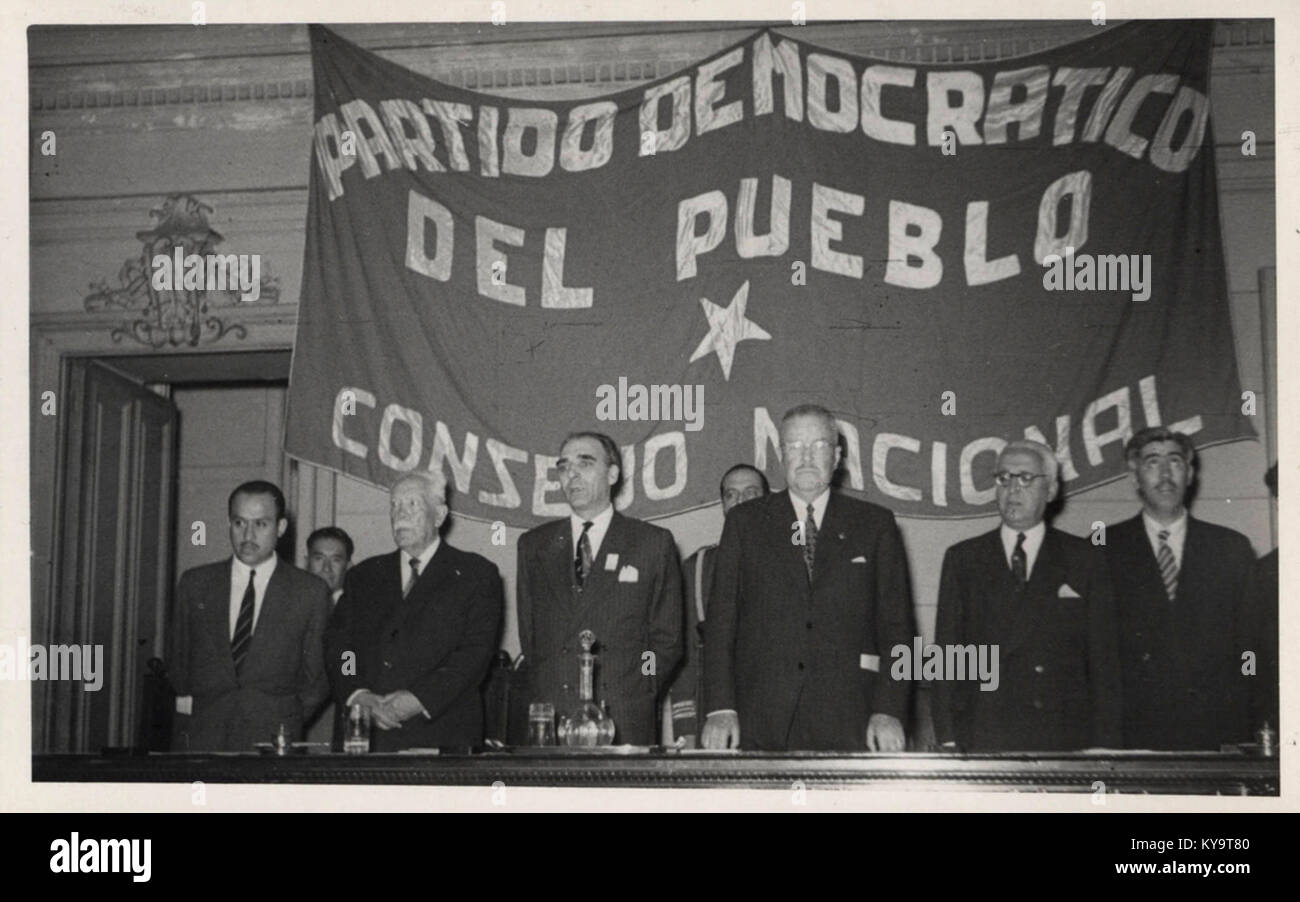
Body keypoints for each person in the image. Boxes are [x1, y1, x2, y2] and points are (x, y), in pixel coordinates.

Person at [702, 404, 915, 751]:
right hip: (760, 719)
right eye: (795, 447)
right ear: (781, 455)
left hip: (853, 719)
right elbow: (720, 624)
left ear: (838, 455)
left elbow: (899, 630)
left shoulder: (875, 525)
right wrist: (720, 708)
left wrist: (889, 710)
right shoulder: (745, 523)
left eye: (818, 446)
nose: (806, 457)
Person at [932, 440, 1122, 751]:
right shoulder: (964, 559)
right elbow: (947, 656)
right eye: (1003, 478)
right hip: (984, 734)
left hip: (1063, 737)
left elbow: (1104, 662)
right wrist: (948, 737)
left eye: (1025, 478)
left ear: (1051, 490)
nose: (1012, 489)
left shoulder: (1084, 559)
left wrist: (1105, 745)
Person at [515, 431, 683, 745]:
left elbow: (666, 638)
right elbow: (531, 638)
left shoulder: (651, 542)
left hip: (624, 718)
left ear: (613, 473)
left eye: (585, 463)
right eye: (563, 467)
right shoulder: (534, 545)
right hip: (553, 721)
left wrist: (641, 686)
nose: (572, 474)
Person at [1104, 427, 1261, 749]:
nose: (1165, 474)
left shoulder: (1231, 548)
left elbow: (1251, 646)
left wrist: (1250, 718)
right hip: (1133, 734)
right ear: (1134, 477)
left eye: (1174, 462)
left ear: (1189, 474)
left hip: (1218, 731)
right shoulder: (1102, 550)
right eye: (1151, 463)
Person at [324, 472, 503, 751]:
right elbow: (343, 649)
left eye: (412, 505)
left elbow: (473, 655)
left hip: (440, 733)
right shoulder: (363, 576)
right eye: (394, 505)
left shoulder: (475, 575)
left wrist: (418, 699)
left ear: (440, 515)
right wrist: (358, 694)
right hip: (365, 735)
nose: (400, 514)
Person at [169, 480, 331, 751]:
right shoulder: (195, 584)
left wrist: (282, 716)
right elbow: (179, 667)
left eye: (261, 524)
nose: (248, 535)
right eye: (239, 523)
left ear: (280, 527)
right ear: (228, 523)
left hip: (274, 739)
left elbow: (316, 680)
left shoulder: (310, 592)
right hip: (203, 738)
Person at [663, 464, 768, 746]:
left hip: (776, 712)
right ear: (722, 504)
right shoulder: (697, 568)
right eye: (731, 495)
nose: (740, 501)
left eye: (751, 493)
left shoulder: (793, 564)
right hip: (715, 719)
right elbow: (683, 657)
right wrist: (685, 727)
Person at [304, 526, 353, 748]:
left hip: (341, 716)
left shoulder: (359, 611)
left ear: (348, 565)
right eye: (318, 558)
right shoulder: (290, 607)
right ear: (306, 561)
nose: (326, 568)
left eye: (335, 560)